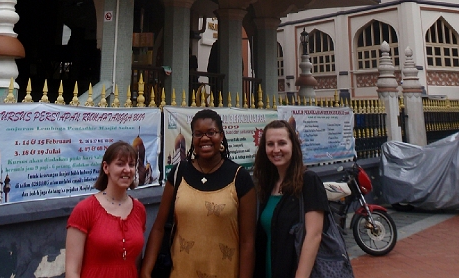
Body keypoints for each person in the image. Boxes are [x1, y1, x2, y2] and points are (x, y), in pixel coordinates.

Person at [141, 109, 257, 278]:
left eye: (211, 132)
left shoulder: (240, 177)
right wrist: (146, 270)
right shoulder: (179, 172)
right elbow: (159, 227)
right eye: (198, 134)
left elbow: (247, 242)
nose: (204, 138)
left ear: (221, 136)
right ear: (193, 138)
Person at [253, 120, 330, 278]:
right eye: (270, 144)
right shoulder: (266, 184)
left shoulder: (308, 181)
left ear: (293, 145)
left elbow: (314, 236)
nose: (276, 150)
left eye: (282, 143)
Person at [66, 141, 146, 278]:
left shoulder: (139, 210)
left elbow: (135, 262)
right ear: (106, 167)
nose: (127, 169)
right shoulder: (85, 210)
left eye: (131, 165)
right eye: (120, 164)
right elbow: (72, 271)